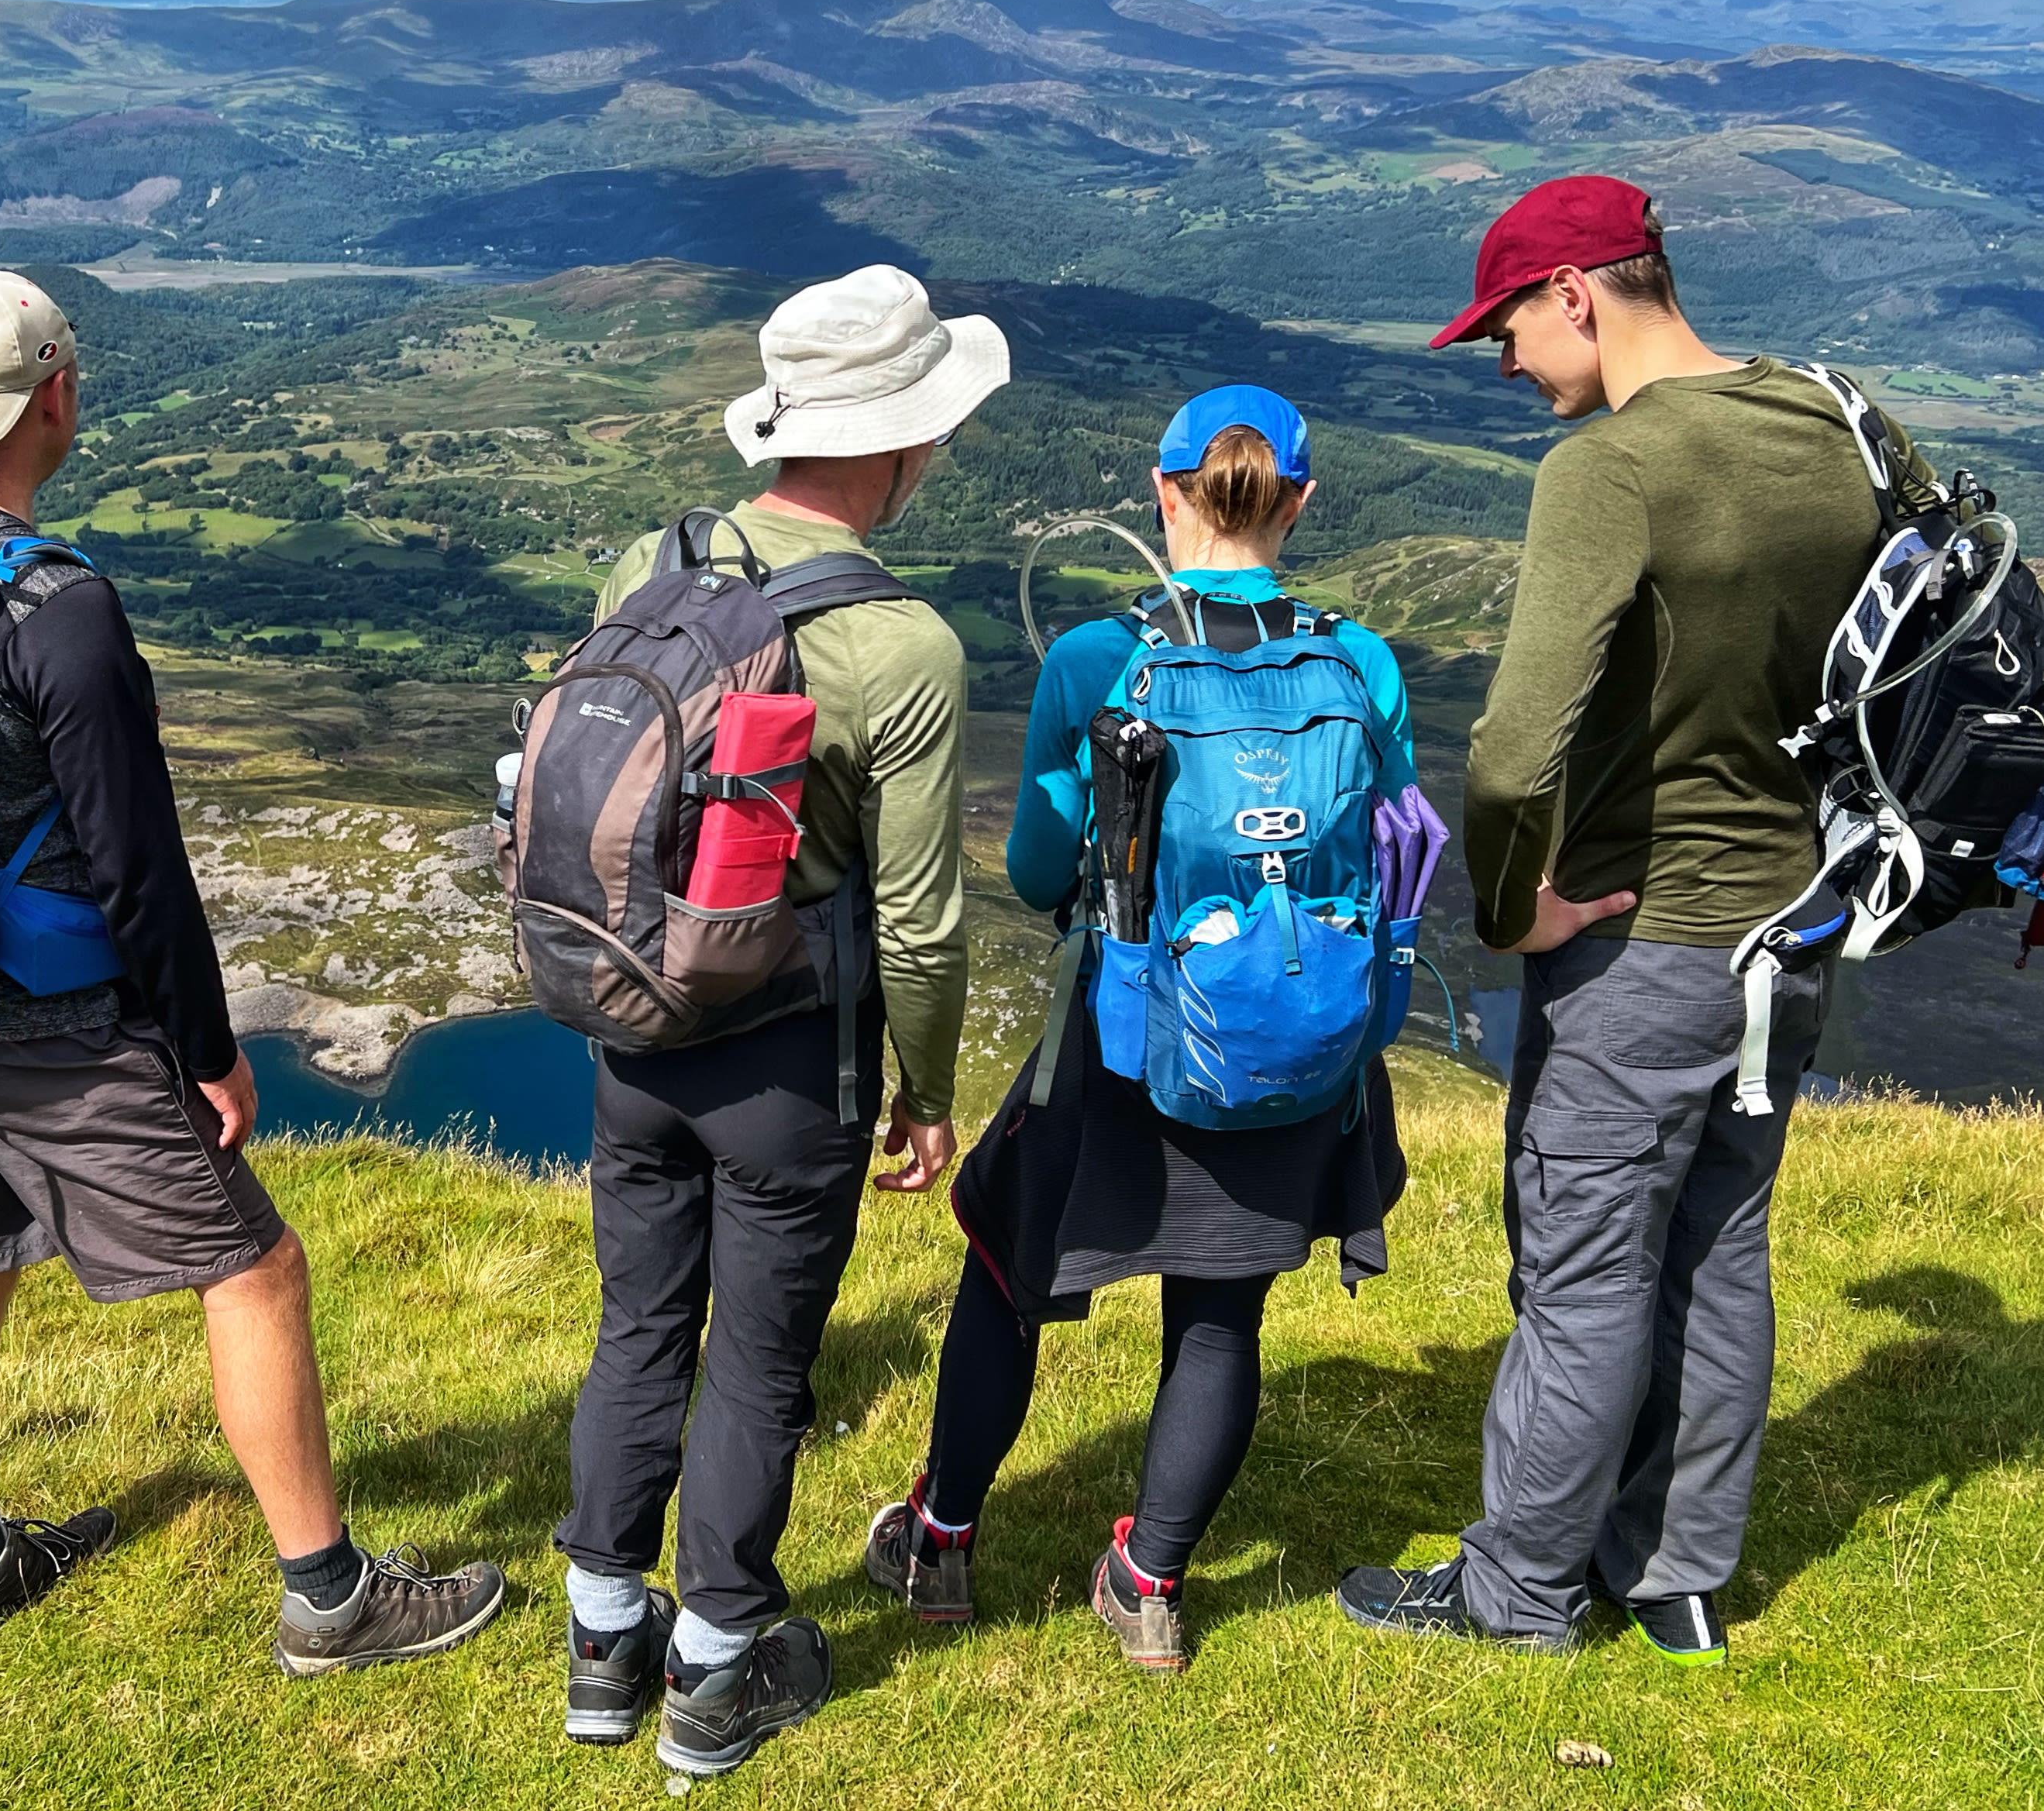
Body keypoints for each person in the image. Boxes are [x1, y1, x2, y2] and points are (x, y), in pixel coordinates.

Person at [0, 267, 503, 1665]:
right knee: (255, 1269)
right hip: (50, 1022)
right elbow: (132, 864)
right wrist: (207, 1049)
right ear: (57, 396)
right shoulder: (53, 606)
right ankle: (330, 1597)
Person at [1335, 176, 1929, 1664]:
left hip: (1641, 938)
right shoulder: (1833, 419)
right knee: (1719, 1244)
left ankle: (1518, 1593)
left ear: (1576, 296)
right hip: (1789, 931)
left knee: (1583, 1265)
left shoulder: (1612, 469)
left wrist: (1502, 910)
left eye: (1505, 331)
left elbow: (1509, 748)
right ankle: (1671, 1575)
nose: (1502, 364)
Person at [862, 384, 1416, 1670]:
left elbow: (1033, 864)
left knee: (1004, 1278)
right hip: (1285, 1038)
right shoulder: (1361, 660)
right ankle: (1147, 1583)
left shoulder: (1096, 660)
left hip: (1119, 1038)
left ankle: (939, 1543)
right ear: (1299, 502)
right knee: (1218, 1318)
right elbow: (1383, 846)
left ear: (1162, 494)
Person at [555, 264, 998, 1775]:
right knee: (755, 1364)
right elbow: (918, 918)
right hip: (785, 1057)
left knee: (638, 1328)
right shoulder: (905, 647)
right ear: (898, 442)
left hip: (632, 1027)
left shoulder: (653, 560)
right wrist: (925, 1097)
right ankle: (716, 1675)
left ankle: (601, 1649)